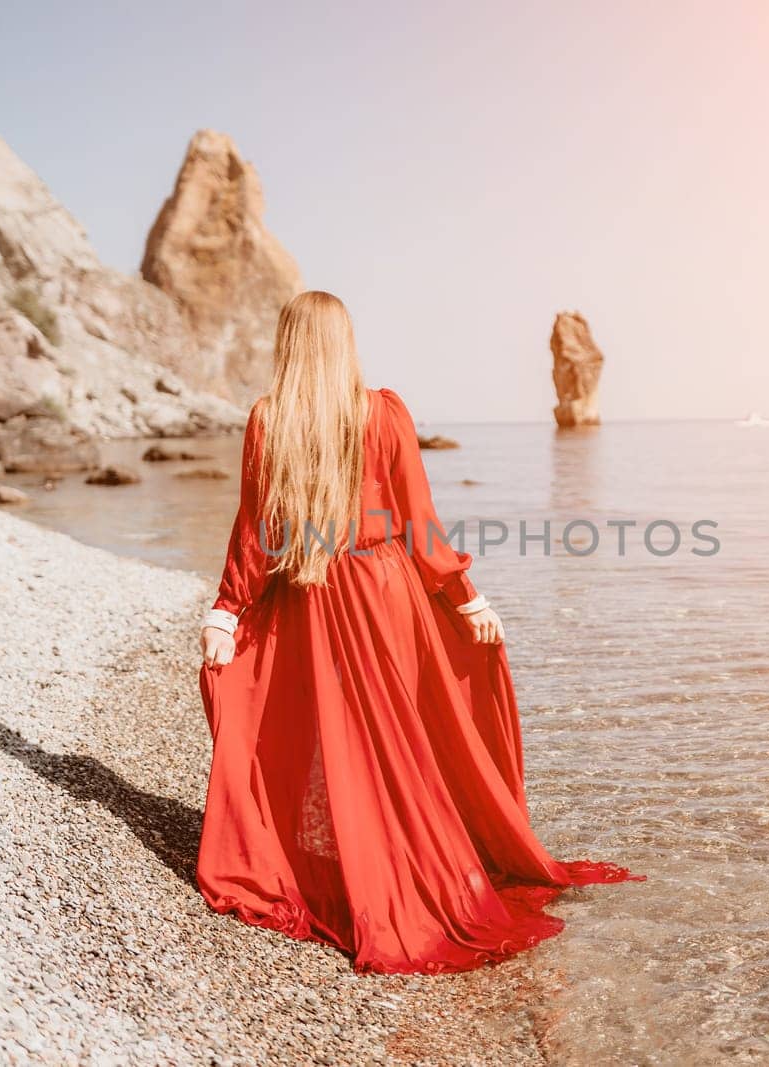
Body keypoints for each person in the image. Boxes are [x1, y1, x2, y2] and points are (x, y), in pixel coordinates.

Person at [196, 290, 638, 974]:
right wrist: (465, 595)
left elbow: (257, 530)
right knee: (397, 736)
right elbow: (420, 522)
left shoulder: (270, 419)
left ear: (288, 344)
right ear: (344, 342)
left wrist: (228, 610)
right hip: (383, 590)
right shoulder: (381, 412)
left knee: (332, 736)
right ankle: (401, 862)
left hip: (309, 598)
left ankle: (346, 865)